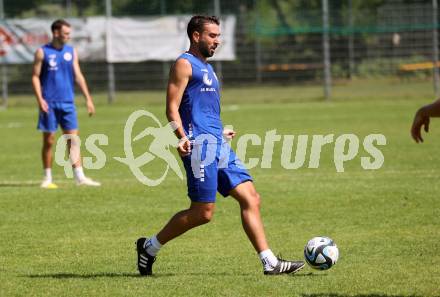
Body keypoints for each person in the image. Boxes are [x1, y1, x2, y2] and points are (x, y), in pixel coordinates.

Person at [136, 15, 304, 276]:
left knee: (251, 198)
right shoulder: (184, 64)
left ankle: (269, 262)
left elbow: (203, 111)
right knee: (203, 213)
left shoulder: (209, 69)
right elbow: (171, 108)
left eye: (218, 36)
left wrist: (220, 131)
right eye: (212, 36)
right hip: (198, 147)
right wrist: (181, 136)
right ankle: (149, 247)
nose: (218, 41)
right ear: (196, 36)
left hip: (218, 144)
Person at [32, 19, 100, 188]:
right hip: (49, 103)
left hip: (68, 103)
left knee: (73, 140)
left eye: (69, 33)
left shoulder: (71, 52)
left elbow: (78, 76)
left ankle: (80, 178)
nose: (69, 37)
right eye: (66, 33)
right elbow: (34, 76)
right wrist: (40, 99)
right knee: (49, 141)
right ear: (56, 33)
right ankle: (47, 178)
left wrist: (88, 99)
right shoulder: (42, 52)